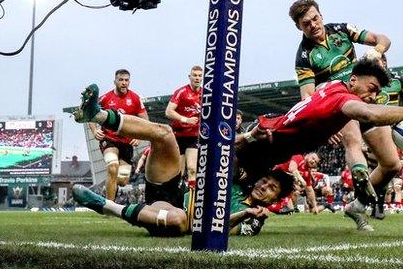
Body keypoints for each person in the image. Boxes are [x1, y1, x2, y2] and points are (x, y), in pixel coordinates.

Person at [235, 58, 403, 231]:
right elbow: (369, 114)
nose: (373, 96)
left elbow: (319, 94)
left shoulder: (334, 86)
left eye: (377, 92)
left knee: (238, 195)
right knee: (223, 184)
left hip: (269, 148)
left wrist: (325, 124)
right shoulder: (343, 99)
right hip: (261, 148)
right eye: (372, 89)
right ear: (353, 80)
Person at [71, 84, 293, 236]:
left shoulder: (253, 220)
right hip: (173, 191)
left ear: (276, 200)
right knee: (165, 133)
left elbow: (220, 229)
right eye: (266, 181)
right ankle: (97, 115)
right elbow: (224, 148)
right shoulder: (241, 181)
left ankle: (107, 206)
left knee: (179, 220)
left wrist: (245, 213)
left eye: (272, 188)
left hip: (176, 216)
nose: (264, 186)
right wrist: (250, 136)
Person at [288, 0, 403, 230]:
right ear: (299, 27)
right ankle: (360, 173)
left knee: (393, 164)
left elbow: (383, 38)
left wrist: (377, 51)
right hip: (340, 103)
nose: (313, 25)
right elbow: (308, 96)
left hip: (366, 99)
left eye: (315, 18)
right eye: (306, 23)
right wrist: (325, 125)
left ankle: (357, 205)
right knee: (352, 140)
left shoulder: (342, 31)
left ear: (321, 15)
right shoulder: (303, 56)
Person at [371, 53, 403, 219]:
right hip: (370, 129)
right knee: (374, 167)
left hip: (391, 130)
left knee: (386, 167)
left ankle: (376, 206)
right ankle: (369, 203)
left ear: (384, 62)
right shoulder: (365, 81)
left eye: (376, 61)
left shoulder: (397, 80)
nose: (373, 64)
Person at [88, 69, 148, 201]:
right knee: (112, 166)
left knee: (123, 181)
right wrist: (94, 130)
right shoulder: (105, 98)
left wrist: (139, 137)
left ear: (129, 82)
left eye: (126, 80)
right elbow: (91, 114)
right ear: (114, 81)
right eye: (121, 80)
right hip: (109, 140)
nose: (123, 83)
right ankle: (109, 206)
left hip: (126, 143)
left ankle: (113, 188)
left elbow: (145, 121)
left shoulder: (135, 99)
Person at [165, 65, 203, 189]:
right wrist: (186, 119)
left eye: (199, 76)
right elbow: (168, 112)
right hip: (178, 135)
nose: (197, 78)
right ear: (189, 77)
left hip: (194, 136)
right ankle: (175, 198)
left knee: (192, 169)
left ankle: (192, 202)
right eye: (195, 75)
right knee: (178, 172)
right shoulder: (182, 92)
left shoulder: (205, 94)